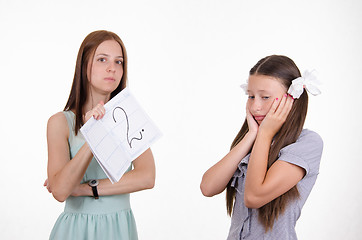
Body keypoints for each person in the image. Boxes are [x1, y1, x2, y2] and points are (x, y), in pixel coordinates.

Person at [44, 30, 155, 240]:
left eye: (119, 62)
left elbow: (147, 177)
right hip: (75, 231)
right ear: (84, 64)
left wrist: (85, 189)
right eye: (102, 59)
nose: (112, 68)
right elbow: (60, 191)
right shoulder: (60, 123)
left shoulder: (127, 116)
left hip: (119, 229)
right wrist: (94, 134)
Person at [200, 55, 323, 239]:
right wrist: (251, 135)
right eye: (251, 96)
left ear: (291, 99)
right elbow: (208, 187)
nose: (255, 106)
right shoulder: (252, 141)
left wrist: (264, 134)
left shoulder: (307, 143)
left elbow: (254, 197)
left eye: (265, 97)